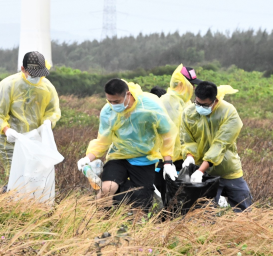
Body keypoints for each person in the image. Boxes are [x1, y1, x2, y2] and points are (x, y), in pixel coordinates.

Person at [77, 79, 176, 210]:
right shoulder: (108, 111)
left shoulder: (150, 108)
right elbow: (103, 140)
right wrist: (88, 158)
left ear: (128, 94)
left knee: (140, 206)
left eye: (116, 101)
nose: (113, 105)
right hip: (119, 156)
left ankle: (134, 218)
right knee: (107, 188)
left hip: (144, 159)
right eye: (109, 101)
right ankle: (95, 221)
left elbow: (167, 134)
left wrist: (168, 162)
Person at [181, 80, 253, 212]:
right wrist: (190, 156)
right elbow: (187, 139)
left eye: (205, 105)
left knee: (244, 207)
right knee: (204, 212)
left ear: (215, 100)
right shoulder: (189, 113)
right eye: (197, 103)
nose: (200, 107)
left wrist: (200, 171)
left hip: (227, 169)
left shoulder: (229, 112)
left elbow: (220, 144)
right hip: (204, 173)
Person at [0, 51, 61, 175]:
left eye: (40, 74)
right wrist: (7, 130)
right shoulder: (8, 85)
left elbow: (53, 111)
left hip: (35, 142)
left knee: (34, 179)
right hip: (11, 143)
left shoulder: (47, 88)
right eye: (33, 74)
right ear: (23, 69)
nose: (37, 78)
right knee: (16, 178)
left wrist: (48, 122)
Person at [154, 65, 199, 196]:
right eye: (191, 84)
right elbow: (163, 132)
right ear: (181, 84)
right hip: (164, 161)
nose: (194, 88)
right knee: (163, 197)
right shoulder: (166, 101)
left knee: (179, 198)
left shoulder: (188, 103)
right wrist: (167, 161)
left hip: (182, 160)